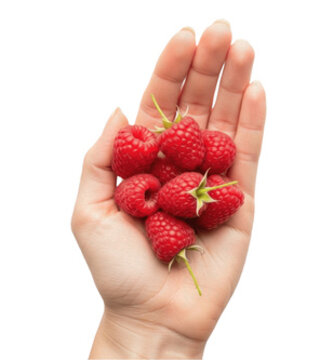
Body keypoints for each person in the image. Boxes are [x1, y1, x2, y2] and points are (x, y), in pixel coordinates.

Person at [70, 20, 265, 359]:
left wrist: (143, 330)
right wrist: (144, 322)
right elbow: (170, 190)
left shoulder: (183, 182)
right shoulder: (170, 185)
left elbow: (184, 183)